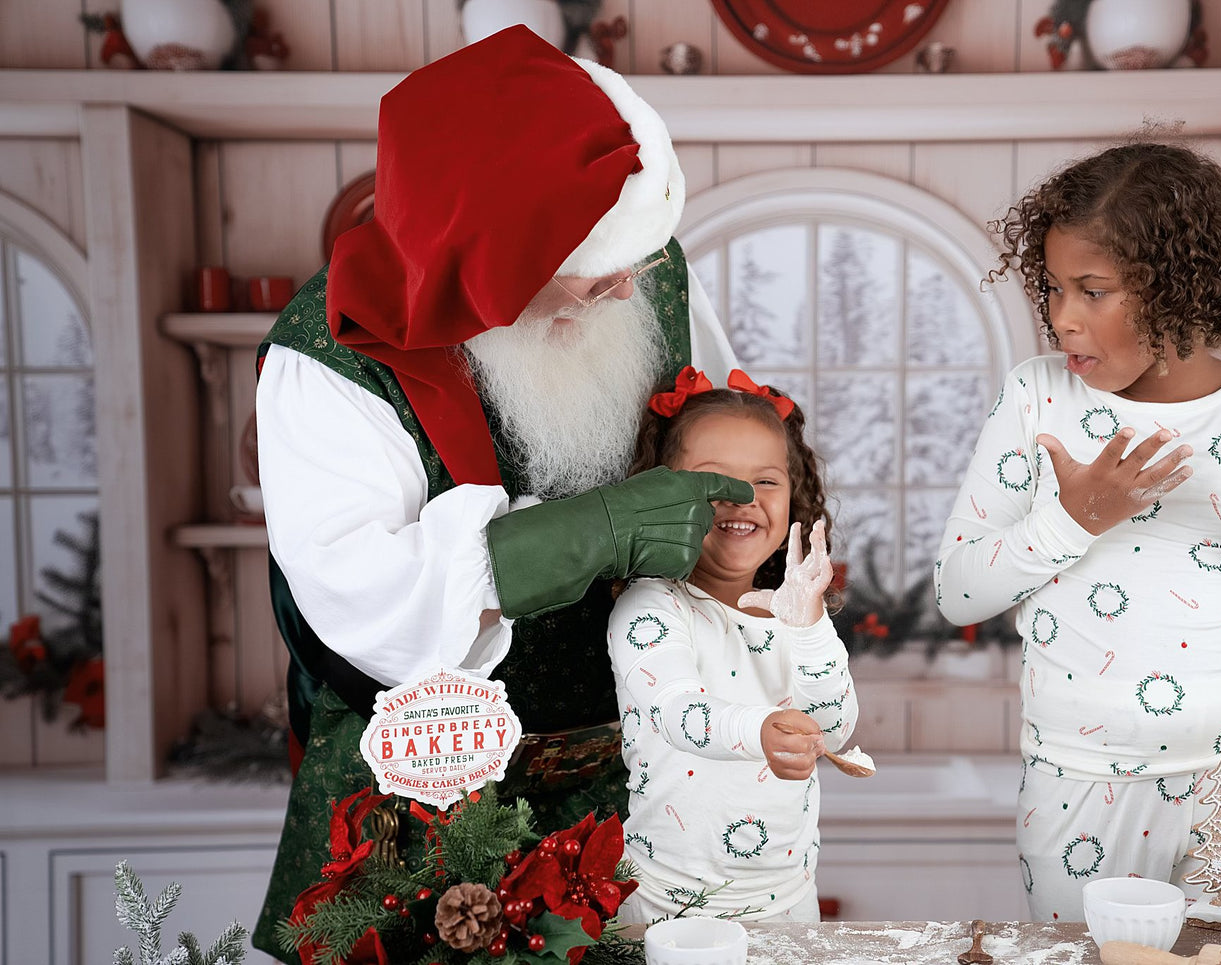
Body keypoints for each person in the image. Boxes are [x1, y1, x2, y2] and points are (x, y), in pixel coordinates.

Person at [250, 27, 750, 962]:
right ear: (490, 258)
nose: (629, 290)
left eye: (640, 259)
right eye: (593, 274)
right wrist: (594, 529)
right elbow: (358, 594)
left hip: (636, 777)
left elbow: (728, 422)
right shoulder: (331, 352)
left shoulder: (639, 267)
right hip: (422, 799)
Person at [933, 142, 1221, 922]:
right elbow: (957, 593)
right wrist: (1072, 519)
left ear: (1177, 288)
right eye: (1053, 286)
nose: (1061, 316)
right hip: (1075, 781)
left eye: (1092, 291)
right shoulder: (1035, 395)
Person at [606, 368, 858, 923]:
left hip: (789, 901)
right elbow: (679, 712)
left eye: (765, 481)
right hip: (662, 906)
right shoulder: (651, 608)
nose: (742, 499)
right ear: (662, 493)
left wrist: (811, 628)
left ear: (793, 496)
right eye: (714, 481)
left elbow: (833, 730)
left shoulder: (794, 614)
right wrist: (760, 730)